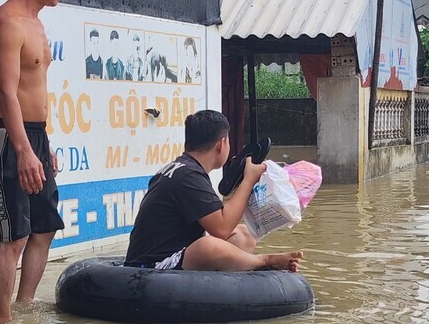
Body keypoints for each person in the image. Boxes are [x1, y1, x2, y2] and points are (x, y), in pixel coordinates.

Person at [0, 0, 69, 324]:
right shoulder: (7, 23)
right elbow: (7, 92)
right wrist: (22, 150)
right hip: (7, 138)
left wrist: (41, 145)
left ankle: (24, 308)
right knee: (14, 235)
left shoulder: (37, 23)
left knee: (44, 227)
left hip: (35, 135)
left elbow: (34, 92)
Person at [124, 110, 303, 272]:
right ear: (221, 144)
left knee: (244, 235)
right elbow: (222, 229)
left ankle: (238, 269)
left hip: (175, 252)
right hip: (152, 265)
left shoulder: (184, 168)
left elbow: (221, 222)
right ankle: (264, 261)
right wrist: (248, 180)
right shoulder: (189, 176)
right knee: (209, 246)